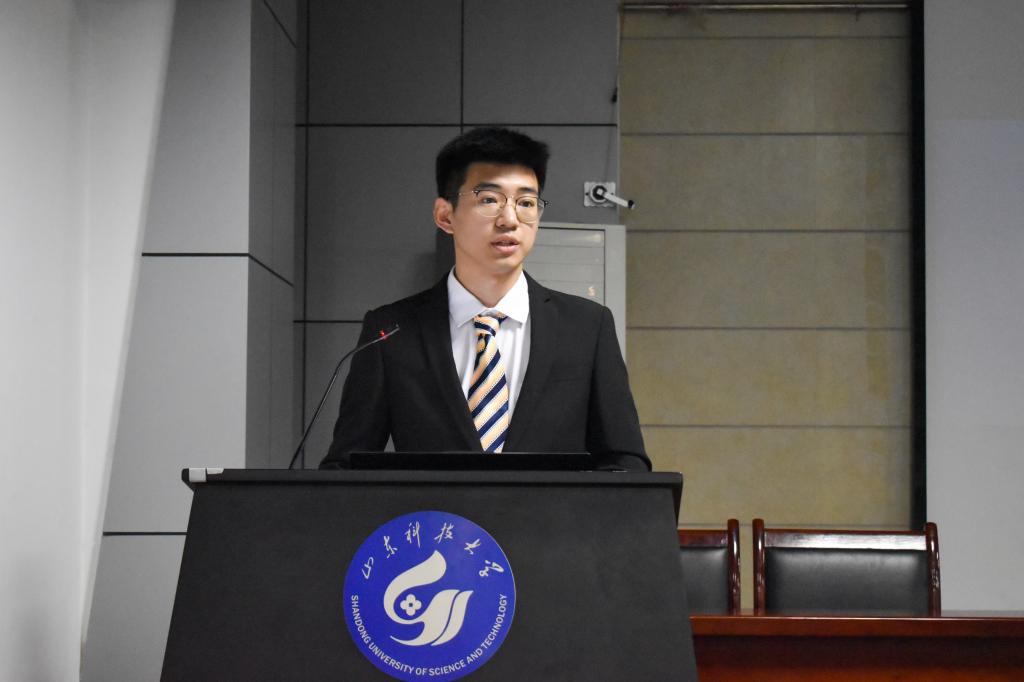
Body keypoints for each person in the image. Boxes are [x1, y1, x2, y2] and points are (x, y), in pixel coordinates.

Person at [320, 127, 649, 471]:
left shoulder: (587, 327)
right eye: (489, 200)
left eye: (526, 203)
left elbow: (625, 460)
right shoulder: (391, 331)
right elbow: (346, 467)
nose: (510, 220)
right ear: (445, 215)